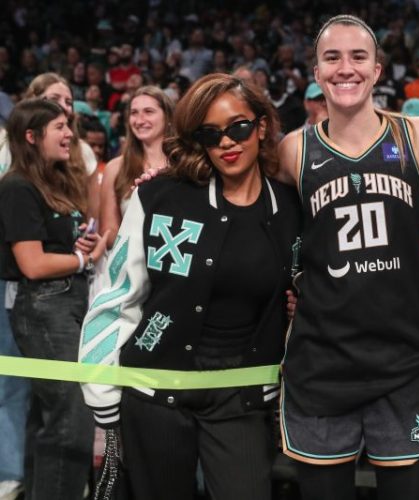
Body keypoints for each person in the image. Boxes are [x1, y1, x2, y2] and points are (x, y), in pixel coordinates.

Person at [78, 74, 301, 499]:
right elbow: (117, 295)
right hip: (154, 393)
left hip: (243, 397)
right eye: (210, 134)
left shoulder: (290, 207)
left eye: (238, 127)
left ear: (261, 126)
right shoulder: (160, 197)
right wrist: (103, 397)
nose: (227, 142)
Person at [275, 14, 419, 500]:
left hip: (405, 361)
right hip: (323, 363)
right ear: (316, 72)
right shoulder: (294, 151)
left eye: (358, 57)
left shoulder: (417, 136)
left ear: (377, 69)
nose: (345, 68)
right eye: (332, 58)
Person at [0, 98, 108, 500]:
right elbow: (32, 264)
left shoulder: (55, 180)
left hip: (66, 301)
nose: (69, 135)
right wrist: (82, 259)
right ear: (32, 136)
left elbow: (56, 247)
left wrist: (81, 246)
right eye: (60, 127)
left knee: (51, 415)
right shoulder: (17, 187)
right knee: (70, 417)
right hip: (44, 306)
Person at [99, 86, 174, 249]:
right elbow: (109, 232)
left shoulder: (184, 165)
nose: (139, 121)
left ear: (168, 116)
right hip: (132, 257)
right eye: (134, 113)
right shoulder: (115, 168)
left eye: (148, 111)